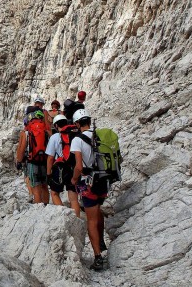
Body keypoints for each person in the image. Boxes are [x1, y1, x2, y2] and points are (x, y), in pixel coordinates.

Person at [69, 109, 108, 271]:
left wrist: (73, 179)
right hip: (104, 180)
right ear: (89, 121)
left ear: (77, 124)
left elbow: (79, 166)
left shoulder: (77, 140)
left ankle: (98, 257)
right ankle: (101, 242)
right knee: (98, 211)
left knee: (90, 220)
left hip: (88, 183)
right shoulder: (99, 134)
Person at [45, 115, 81, 216]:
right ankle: (76, 220)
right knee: (73, 199)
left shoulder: (54, 137)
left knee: (55, 193)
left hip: (59, 169)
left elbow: (50, 158)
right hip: (73, 168)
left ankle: (63, 217)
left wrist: (48, 174)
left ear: (56, 125)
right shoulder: (75, 135)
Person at [16, 109, 49, 205]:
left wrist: (19, 161)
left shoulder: (26, 132)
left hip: (32, 162)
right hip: (44, 161)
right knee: (44, 186)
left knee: (36, 187)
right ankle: (47, 207)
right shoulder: (45, 130)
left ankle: (39, 209)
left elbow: (22, 149)